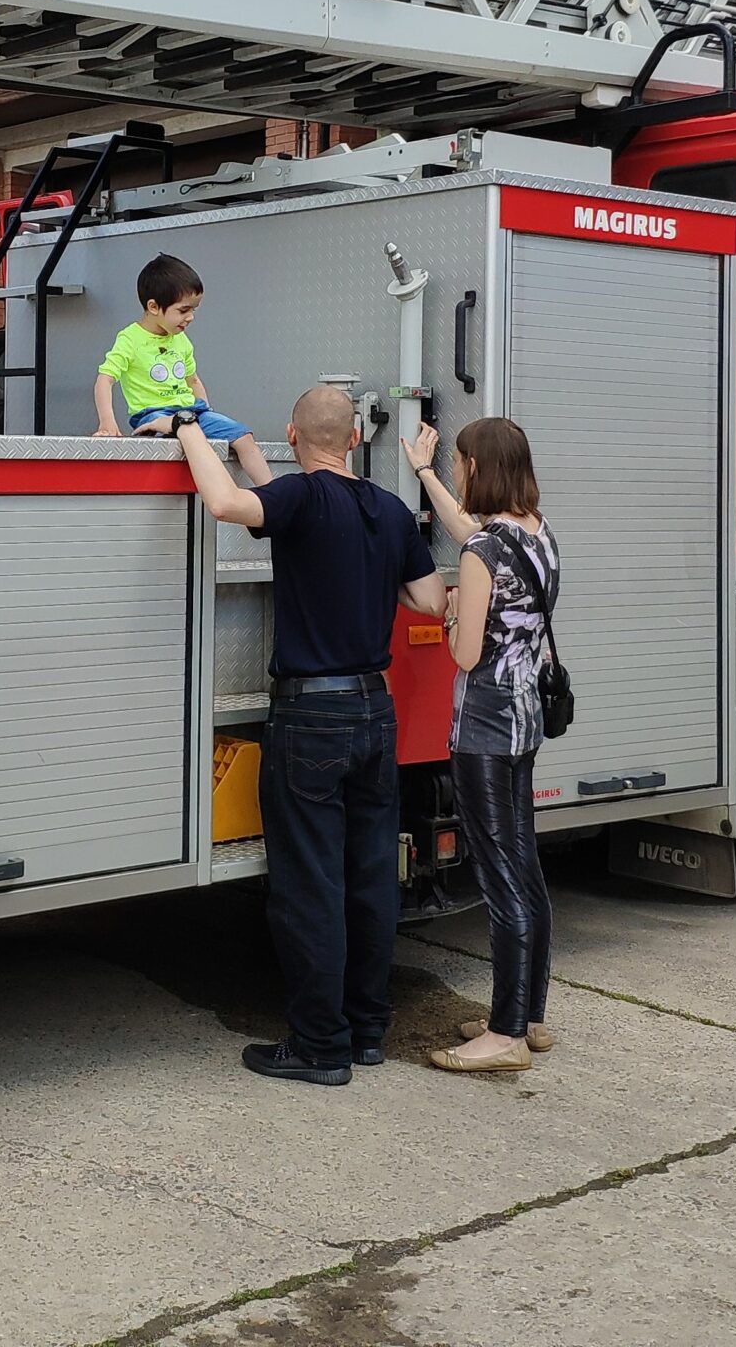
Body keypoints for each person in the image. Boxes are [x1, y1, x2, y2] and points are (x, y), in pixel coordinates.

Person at [178, 386, 446, 1084]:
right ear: (356, 439)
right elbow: (429, 601)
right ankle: (364, 1032)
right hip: (374, 714)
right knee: (367, 877)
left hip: (310, 718)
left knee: (309, 886)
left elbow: (228, 504)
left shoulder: (299, 498)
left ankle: (319, 1046)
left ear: (293, 435)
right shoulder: (387, 510)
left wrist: (187, 434)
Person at [405, 417, 560, 1074]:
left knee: (501, 880)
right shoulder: (536, 533)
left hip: (485, 731)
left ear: (479, 466)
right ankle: (529, 1015)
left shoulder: (481, 556)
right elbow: (475, 535)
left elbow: (465, 654)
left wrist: (449, 619)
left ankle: (503, 1037)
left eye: (461, 463)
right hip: (525, 721)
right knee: (525, 866)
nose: (460, 471)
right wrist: (424, 475)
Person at [95, 254, 273, 488]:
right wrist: (108, 423)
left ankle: (273, 494)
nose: (190, 317)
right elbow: (105, 380)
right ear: (153, 307)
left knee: (243, 438)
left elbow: (193, 380)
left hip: (190, 413)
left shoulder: (181, 341)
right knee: (177, 441)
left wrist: (207, 412)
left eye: (194, 310)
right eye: (183, 310)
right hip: (154, 415)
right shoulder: (130, 339)